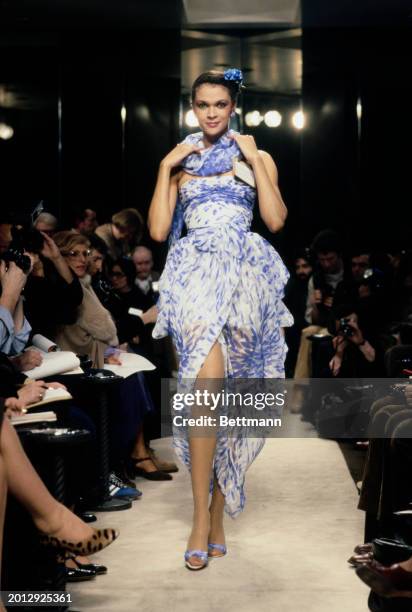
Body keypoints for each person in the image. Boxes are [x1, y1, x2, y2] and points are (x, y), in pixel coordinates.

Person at [148, 68, 292, 570]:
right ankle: (198, 517)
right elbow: (160, 229)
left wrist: (253, 158)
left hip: (245, 276)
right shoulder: (179, 161)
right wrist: (167, 165)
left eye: (220, 104)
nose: (211, 113)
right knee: (205, 386)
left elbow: (274, 220)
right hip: (193, 274)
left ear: (233, 107)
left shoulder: (256, 155)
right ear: (193, 108)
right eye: (203, 104)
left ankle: (217, 508)